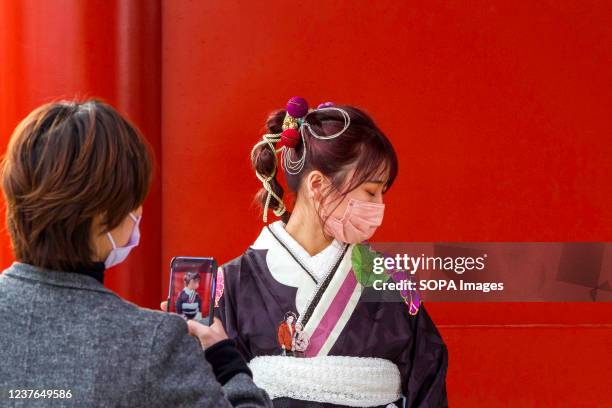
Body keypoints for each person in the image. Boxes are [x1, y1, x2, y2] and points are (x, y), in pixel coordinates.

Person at [0, 100, 271, 407]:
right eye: (134, 199)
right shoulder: (152, 342)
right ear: (102, 216)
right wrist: (226, 362)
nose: (138, 211)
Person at [216, 97, 448, 407]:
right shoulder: (230, 285)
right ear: (318, 185)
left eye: (382, 193)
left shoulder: (392, 285)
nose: (379, 206)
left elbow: (428, 385)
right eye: (370, 191)